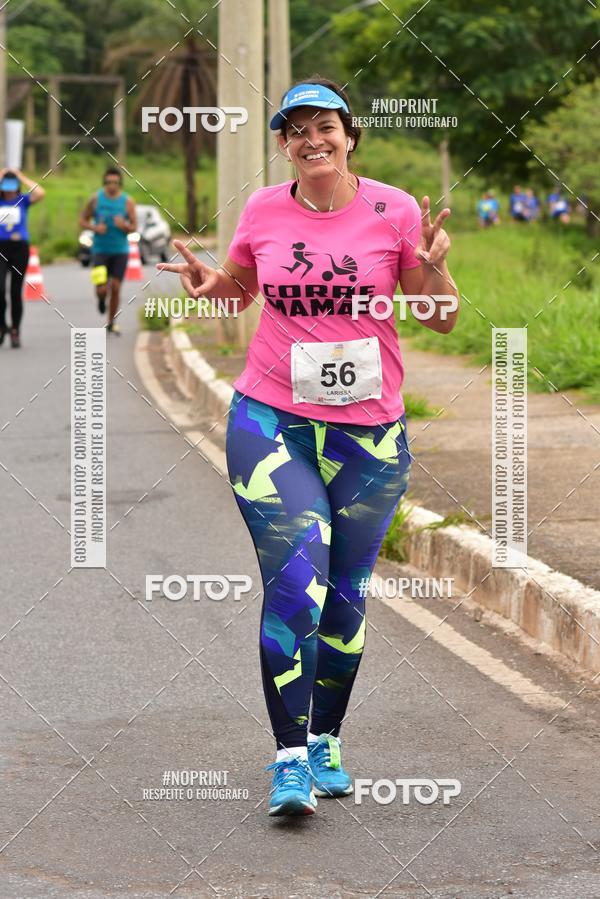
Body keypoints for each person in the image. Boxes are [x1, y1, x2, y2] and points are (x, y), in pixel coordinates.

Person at [158, 76, 460, 818]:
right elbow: (238, 290)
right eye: (295, 130)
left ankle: (326, 738)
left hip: (370, 433)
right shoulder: (263, 210)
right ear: (284, 145)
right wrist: (207, 288)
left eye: (323, 125)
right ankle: (289, 758)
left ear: (349, 134)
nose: (310, 139)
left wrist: (436, 269)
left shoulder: (396, 210)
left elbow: (440, 319)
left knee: (346, 597)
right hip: (273, 421)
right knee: (299, 582)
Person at [79, 167, 137, 334]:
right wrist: (95, 228)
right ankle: (101, 298)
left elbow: (134, 227)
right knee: (102, 288)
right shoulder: (96, 199)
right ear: (104, 183)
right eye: (109, 182)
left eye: (116, 183)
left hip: (120, 251)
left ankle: (111, 322)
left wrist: (124, 226)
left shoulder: (127, 201)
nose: (112, 186)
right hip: (100, 251)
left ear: (120, 184)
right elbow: (82, 220)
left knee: (116, 287)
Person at [0, 167, 45, 348]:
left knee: (15, 292)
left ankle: (15, 330)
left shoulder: (23, 200)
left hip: (19, 250)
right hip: (1, 249)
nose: (9, 189)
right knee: (0, 290)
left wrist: (21, 176)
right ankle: (2, 325)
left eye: (12, 185)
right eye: (6, 185)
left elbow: (41, 193)